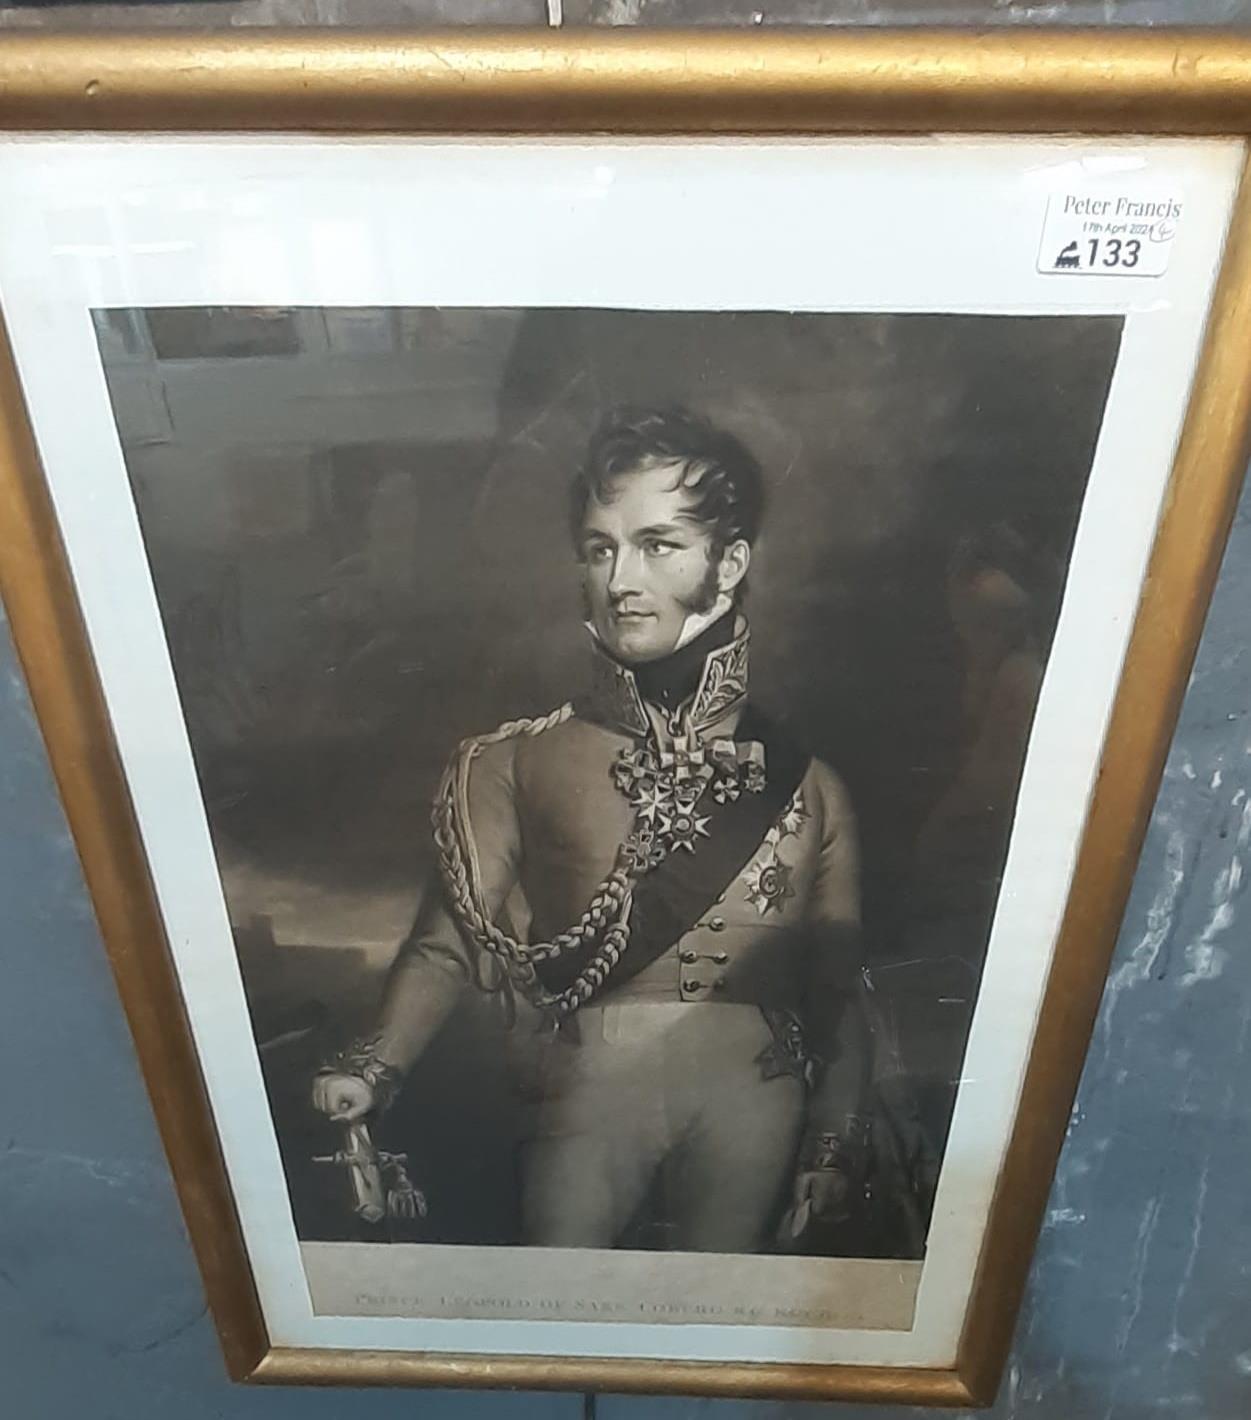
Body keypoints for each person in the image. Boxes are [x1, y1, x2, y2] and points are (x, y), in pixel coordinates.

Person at [313, 405, 871, 1253]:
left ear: (728, 567)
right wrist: (373, 1066)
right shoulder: (517, 763)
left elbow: (836, 994)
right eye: (600, 548)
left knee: (717, 1323)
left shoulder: (814, 785)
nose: (620, 581)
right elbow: (448, 944)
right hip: (585, 1086)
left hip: (757, 1093)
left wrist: (831, 1144)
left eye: (657, 545)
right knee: (559, 1302)